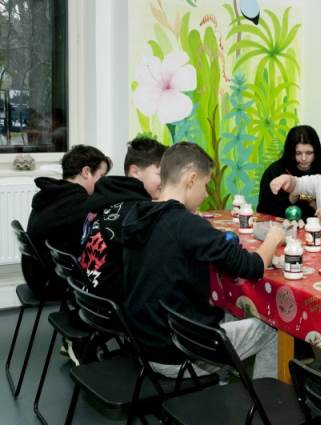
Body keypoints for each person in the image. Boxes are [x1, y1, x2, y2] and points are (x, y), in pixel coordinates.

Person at [121, 141, 285, 379]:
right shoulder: (186, 224)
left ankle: (220, 384)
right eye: (206, 185)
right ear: (191, 179)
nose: (206, 194)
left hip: (143, 341)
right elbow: (253, 267)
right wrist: (274, 237)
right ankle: (271, 407)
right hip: (178, 352)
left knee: (231, 310)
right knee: (273, 331)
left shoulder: (137, 214)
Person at [79, 137, 167, 303]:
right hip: (110, 308)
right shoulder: (134, 213)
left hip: (88, 296)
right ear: (135, 171)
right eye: (160, 174)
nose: (165, 181)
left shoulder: (108, 197)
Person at [25, 145, 111, 298]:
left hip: (36, 275)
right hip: (51, 282)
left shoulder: (54, 194)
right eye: (102, 176)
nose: (104, 183)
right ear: (86, 172)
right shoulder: (76, 203)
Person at [257, 125, 321, 220]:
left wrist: (313, 203)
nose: (304, 158)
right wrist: (290, 199)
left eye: (309, 153)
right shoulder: (274, 172)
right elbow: (263, 211)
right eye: (298, 153)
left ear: (317, 152)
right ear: (290, 153)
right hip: (279, 231)